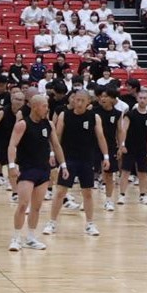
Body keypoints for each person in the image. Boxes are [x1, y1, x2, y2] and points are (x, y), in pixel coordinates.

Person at [44, 88, 110, 237]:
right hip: (68, 160)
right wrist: (53, 153)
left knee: (87, 193)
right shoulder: (64, 115)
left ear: (88, 102)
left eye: (82, 100)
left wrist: (106, 157)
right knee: (60, 191)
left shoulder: (94, 117)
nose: (78, 103)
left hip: (87, 160)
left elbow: (100, 137)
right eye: (76, 99)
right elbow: (57, 136)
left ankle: (90, 224)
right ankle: (52, 222)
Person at [7, 89, 56, 252]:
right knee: (22, 205)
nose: (47, 109)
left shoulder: (48, 124)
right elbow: (12, 145)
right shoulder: (23, 124)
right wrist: (12, 165)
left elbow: (54, 144)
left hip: (43, 170)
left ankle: (31, 237)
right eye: (44, 106)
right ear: (35, 107)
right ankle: (15, 238)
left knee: (36, 206)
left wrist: (61, 164)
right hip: (27, 169)